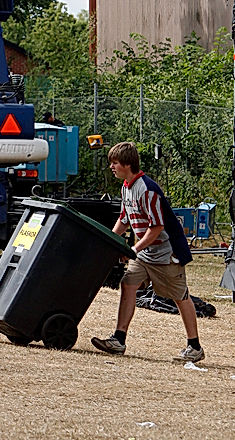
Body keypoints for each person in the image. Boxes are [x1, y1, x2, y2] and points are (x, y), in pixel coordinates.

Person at [90, 141, 204, 363]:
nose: (111, 167)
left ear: (127, 164)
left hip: (166, 253)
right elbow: (124, 219)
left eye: (115, 163)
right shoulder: (126, 187)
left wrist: (133, 249)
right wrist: (110, 242)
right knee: (128, 283)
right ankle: (118, 340)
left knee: (180, 297)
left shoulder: (147, 189)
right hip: (144, 252)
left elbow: (157, 227)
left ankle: (195, 347)